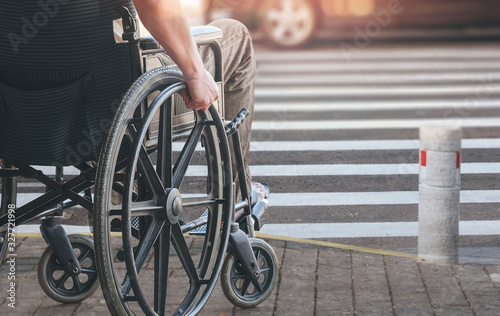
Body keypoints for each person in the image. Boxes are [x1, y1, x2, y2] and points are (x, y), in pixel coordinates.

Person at [132, 0, 267, 202]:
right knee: (237, 35)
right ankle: (235, 199)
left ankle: (118, 197)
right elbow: (156, 5)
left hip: (78, 100)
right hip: (135, 86)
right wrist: (194, 72)